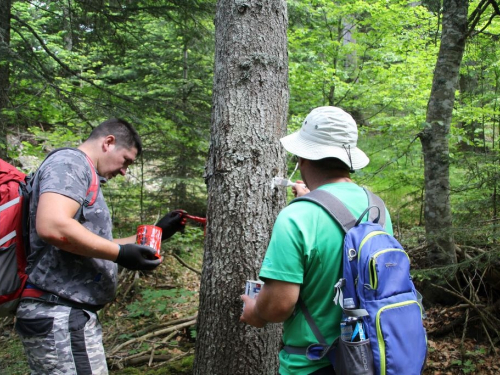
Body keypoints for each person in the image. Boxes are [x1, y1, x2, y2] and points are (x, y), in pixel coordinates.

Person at [15, 118, 185, 374]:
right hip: (59, 312)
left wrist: (156, 234)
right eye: (126, 160)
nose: (124, 170)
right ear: (108, 143)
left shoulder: (81, 172)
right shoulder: (70, 163)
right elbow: (53, 226)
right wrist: (119, 254)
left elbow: (92, 243)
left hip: (65, 314)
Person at [240, 106, 393, 375]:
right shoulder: (377, 207)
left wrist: (255, 312)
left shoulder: (296, 217)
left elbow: (278, 306)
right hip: (368, 359)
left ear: (302, 156)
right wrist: (311, 200)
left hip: (313, 365)